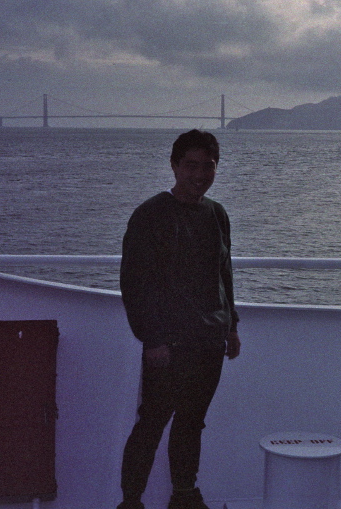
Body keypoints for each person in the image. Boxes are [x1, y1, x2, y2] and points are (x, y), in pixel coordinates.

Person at [118, 129, 241, 509]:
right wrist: (151, 339)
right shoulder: (150, 215)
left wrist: (231, 326)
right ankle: (131, 502)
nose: (200, 174)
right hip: (168, 345)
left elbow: (225, 273)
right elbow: (134, 283)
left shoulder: (217, 214)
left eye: (208, 166)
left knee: (191, 423)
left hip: (209, 341)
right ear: (173, 166)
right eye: (191, 166)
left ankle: (184, 496)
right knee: (152, 423)